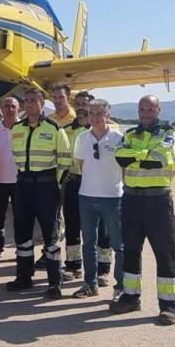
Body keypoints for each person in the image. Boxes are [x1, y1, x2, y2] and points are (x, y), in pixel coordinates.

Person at [111, 95, 175, 325]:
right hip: (131, 201)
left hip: (157, 202)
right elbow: (120, 156)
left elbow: (160, 158)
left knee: (164, 253)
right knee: (131, 250)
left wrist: (136, 156)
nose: (146, 113)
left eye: (150, 109)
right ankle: (131, 298)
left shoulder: (168, 134)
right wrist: (144, 156)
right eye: (142, 109)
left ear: (158, 110)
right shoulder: (130, 134)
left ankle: (169, 306)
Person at [7, 88, 72, 297]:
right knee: (22, 233)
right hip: (23, 185)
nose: (29, 104)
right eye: (26, 101)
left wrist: (56, 186)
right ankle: (24, 277)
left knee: (50, 234)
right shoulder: (17, 129)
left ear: (43, 104)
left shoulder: (54, 128)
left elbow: (65, 160)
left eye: (33, 100)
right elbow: (14, 155)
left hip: (46, 186)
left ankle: (54, 281)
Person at [70, 98, 125, 300]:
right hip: (86, 197)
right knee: (88, 243)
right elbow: (81, 164)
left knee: (119, 245)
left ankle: (121, 287)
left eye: (99, 113)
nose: (94, 117)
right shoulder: (82, 138)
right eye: (91, 113)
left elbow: (125, 168)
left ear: (108, 115)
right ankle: (90, 284)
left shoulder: (119, 139)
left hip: (112, 198)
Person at [53, 84, 85, 280]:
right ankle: (73, 265)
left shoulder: (101, 128)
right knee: (72, 224)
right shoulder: (65, 127)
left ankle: (100, 269)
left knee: (97, 227)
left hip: (95, 182)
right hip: (72, 180)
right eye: (78, 103)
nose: (81, 107)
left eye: (85, 104)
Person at [0, 96, 20, 260]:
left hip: (20, 181)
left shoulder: (25, 127)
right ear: (1, 109)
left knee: (20, 217)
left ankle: (21, 248)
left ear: (18, 109)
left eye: (13, 106)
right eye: (6, 106)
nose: (10, 109)